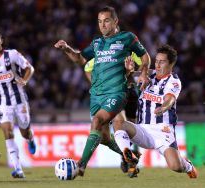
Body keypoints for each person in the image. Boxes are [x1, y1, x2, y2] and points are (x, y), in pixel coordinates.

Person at [55, 6, 150, 177]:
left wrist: (142, 72)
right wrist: (67, 49)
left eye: (106, 20)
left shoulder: (127, 38)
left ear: (115, 21)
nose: (103, 25)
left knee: (100, 122)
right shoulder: (97, 43)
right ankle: (128, 156)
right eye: (100, 21)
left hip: (118, 92)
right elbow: (80, 59)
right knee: (105, 137)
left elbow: (145, 56)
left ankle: (81, 166)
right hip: (97, 95)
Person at [114, 44, 198, 178]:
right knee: (118, 122)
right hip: (143, 129)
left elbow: (169, 99)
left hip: (162, 131)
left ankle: (188, 166)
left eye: (162, 62)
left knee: (176, 167)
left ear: (171, 64)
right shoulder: (148, 75)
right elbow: (126, 77)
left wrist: (164, 107)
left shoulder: (174, 81)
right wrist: (128, 71)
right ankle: (129, 158)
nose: (158, 65)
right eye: (156, 61)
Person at [0, 28, 36, 178]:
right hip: (2, 103)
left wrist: (24, 80)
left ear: (1, 41)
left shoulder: (12, 54)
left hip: (19, 99)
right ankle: (18, 169)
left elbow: (30, 68)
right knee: (8, 132)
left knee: (24, 132)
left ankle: (31, 139)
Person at [83, 53, 142, 177]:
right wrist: (97, 85)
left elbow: (143, 67)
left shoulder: (133, 53)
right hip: (113, 94)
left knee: (132, 129)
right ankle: (127, 156)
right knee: (116, 127)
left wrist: (133, 70)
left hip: (130, 93)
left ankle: (131, 162)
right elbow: (87, 68)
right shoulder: (105, 54)